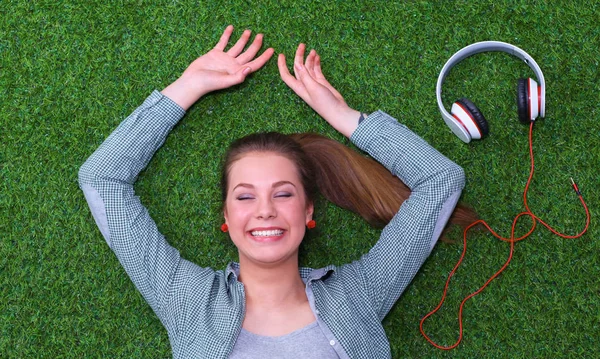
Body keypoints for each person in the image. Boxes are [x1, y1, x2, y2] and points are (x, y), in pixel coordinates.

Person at [78, 25, 474, 359]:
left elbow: (440, 181)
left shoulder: (359, 295)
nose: (265, 210)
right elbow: (102, 178)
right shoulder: (188, 299)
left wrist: (343, 116)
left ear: (307, 211)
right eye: (245, 197)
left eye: (283, 194)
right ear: (226, 217)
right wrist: (188, 85)